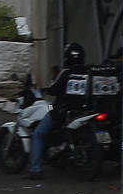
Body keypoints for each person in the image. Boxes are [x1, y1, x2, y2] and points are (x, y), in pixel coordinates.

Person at [24, 43, 88, 178]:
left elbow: (53, 90)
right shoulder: (87, 71)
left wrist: (43, 89)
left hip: (60, 110)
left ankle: (35, 169)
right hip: (83, 110)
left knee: (38, 133)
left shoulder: (65, 72)